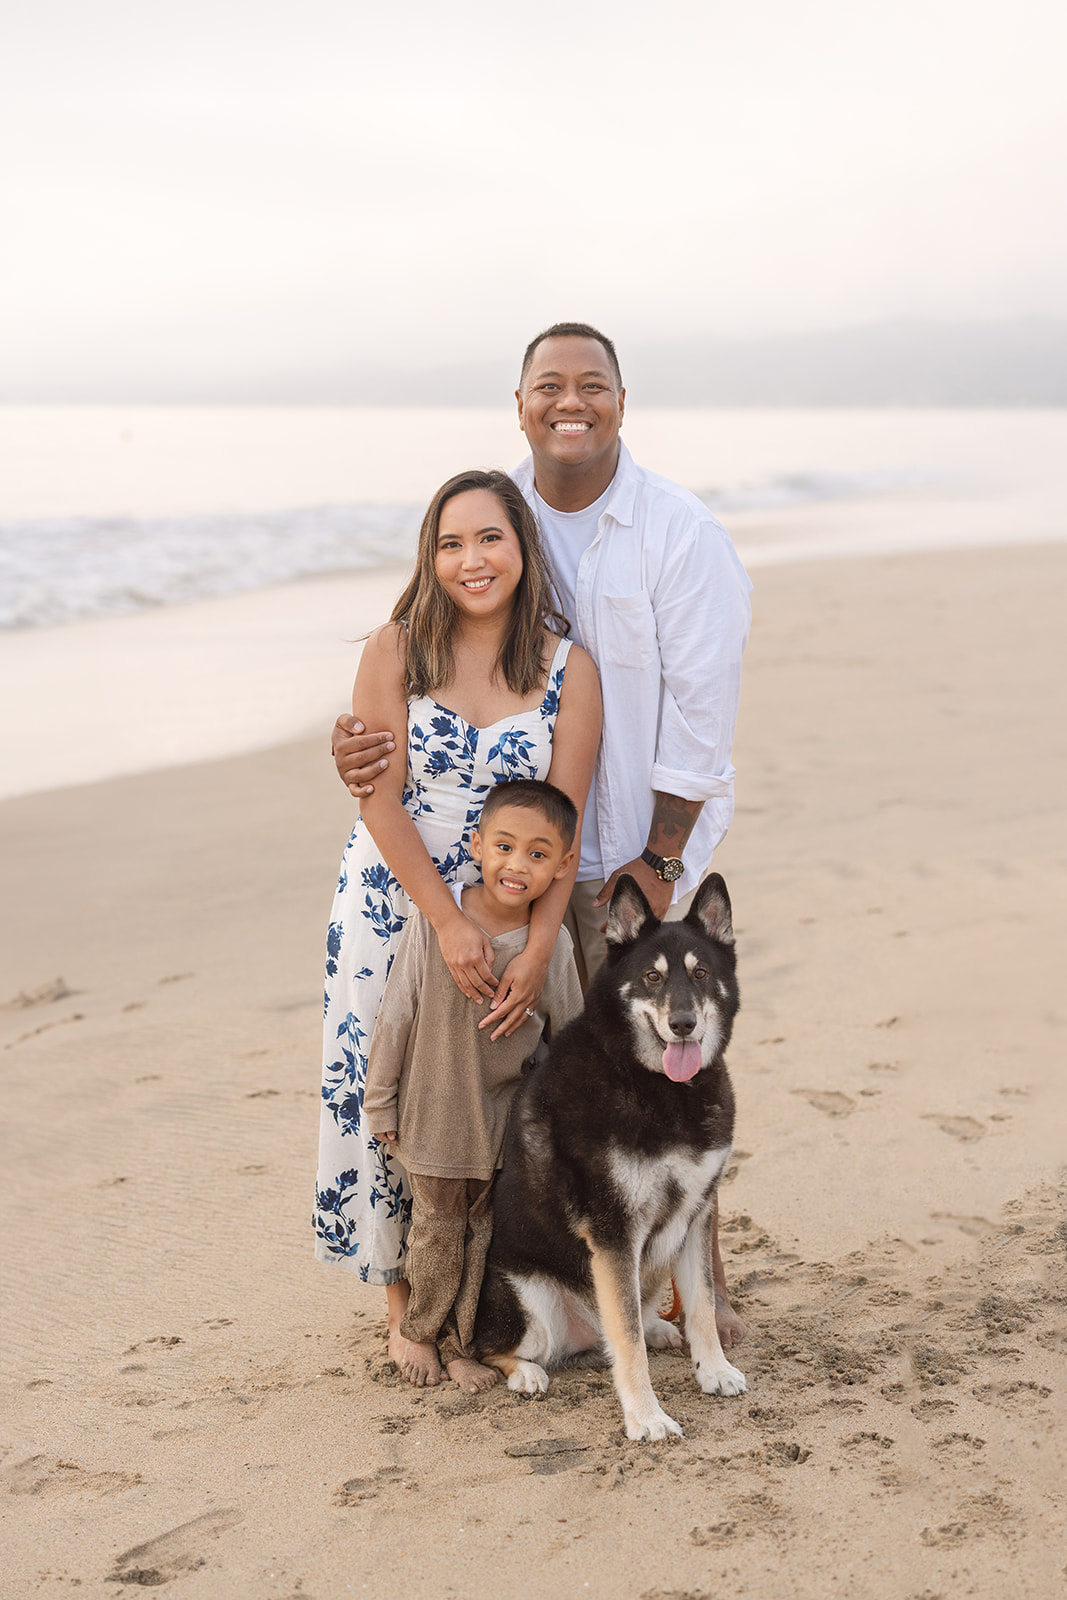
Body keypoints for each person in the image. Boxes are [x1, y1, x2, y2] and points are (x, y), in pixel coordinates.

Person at [332, 323, 753, 1349]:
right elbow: (388, 744)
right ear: (518, 401)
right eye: (548, 386)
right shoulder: (502, 514)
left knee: (644, 1071)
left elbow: (698, 723)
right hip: (472, 881)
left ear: (621, 398)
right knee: (434, 1085)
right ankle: (446, 1300)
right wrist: (357, 759)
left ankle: (685, 1289)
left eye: (591, 384)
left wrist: (656, 867)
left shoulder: (676, 533)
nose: (570, 402)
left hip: (622, 866)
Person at [314, 467, 601, 1382]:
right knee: (386, 1086)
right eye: (450, 543)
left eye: (489, 539)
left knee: (494, 1100)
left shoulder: (567, 668)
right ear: (429, 557)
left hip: (515, 908)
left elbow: (568, 822)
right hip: (394, 898)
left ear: (522, 549)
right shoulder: (397, 648)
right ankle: (403, 1311)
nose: (471, 560)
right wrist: (444, 921)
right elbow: (378, 798)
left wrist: (541, 945)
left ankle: (487, 1306)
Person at [363, 779, 583, 1392]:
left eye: (538, 855)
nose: (517, 865)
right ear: (478, 844)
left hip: (502, 1126)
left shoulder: (553, 948)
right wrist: (379, 1098)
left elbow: (569, 1040)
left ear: (564, 865)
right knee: (437, 1232)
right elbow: (397, 1014)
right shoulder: (436, 924)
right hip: (432, 1115)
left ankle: (463, 1346)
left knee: (484, 1237)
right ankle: (418, 1331)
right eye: (505, 847)